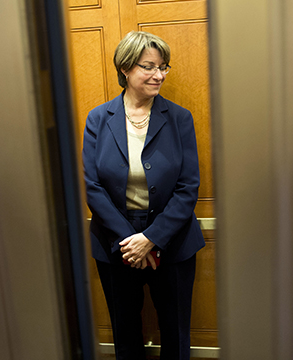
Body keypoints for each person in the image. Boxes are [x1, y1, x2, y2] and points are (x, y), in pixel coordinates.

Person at [82, 31, 205, 360]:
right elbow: (92, 186)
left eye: (163, 67)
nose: (159, 75)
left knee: (175, 334)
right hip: (115, 243)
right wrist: (131, 241)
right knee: (125, 334)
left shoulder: (179, 118)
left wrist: (152, 238)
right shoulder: (98, 118)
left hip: (173, 239)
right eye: (149, 66)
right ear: (125, 69)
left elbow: (188, 186)